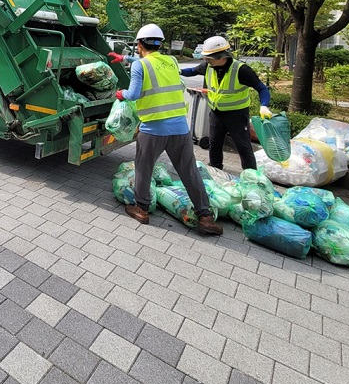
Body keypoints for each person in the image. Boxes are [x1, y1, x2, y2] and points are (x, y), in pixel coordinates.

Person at [113, 24, 223, 235]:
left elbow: (134, 93)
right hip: (180, 128)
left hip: (153, 128)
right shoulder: (171, 61)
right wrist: (125, 59)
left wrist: (122, 94)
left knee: (144, 168)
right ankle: (205, 216)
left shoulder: (140, 66)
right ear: (159, 43)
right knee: (188, 171)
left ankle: (142, 209)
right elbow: (153, 65)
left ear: (139, 44)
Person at [180, 36, 271, 171]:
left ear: (221, 56)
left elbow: (262, 89)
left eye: (209, 58)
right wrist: (178, 71)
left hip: (237, 115)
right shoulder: (208, 66)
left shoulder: (241, 70)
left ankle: (252, 176)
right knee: (214, 143)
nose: (206, 60)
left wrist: (264, 105)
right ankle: (215, 169)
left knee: (243, 147)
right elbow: (192, 71)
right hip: (216, 113)